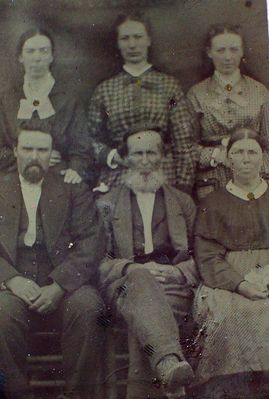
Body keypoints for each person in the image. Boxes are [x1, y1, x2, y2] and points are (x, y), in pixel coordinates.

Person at [0, 121, 105, 399]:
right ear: (15, 150)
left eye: (42, 150)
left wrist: (59, 286)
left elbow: (91, 242)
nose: (35, 156)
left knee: (88, 307)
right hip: (12, 286)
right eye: (28, 149)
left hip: (63, 286)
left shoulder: (72, 189)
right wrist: (11, 279)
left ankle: (75, 396)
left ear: (52, 153)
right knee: (0, 312)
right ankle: (17, 394)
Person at [98, 125, 198, 399]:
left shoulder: (183, 202)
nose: (144, 161)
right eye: (137, 154)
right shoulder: (106, 204)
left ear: (162, 157)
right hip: (124, 287)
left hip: (172, 287)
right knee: (143, 295)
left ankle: (162, 375)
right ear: (126, 158)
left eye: (151, 153)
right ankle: (168, 365)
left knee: (145, 318)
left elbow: (200, 255)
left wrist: (177, 271)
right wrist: (133, 269)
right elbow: (99, 262)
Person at [193, 127, 269, 397]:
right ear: (228, 158)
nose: (246, 158)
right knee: (233, 313)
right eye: (238, 152)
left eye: (252, 152)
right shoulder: (212, 202)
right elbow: (207, 255)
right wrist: (240, 284)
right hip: (227, 283)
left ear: (263, 158)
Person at [88, 11, 197, 194]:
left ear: (148, 40)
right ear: (118, 43)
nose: (132, 45)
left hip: (164, 175)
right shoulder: (105, 90)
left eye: (138, 37)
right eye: (125, 38)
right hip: (121, 174)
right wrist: (111, 155)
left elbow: (184, 141)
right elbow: (91, 138)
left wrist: (182, 189)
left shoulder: (168, 85)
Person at [187, 24, 269, 199]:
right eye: (220, 50)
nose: (227, 57)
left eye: (233, 49)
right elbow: (186, 147)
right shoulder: (196, 94)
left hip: (255, 179)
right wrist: (215, 155)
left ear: (242, 51)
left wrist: (254, 164)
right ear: (209, 52)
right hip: (212, 181)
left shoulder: (259, 92)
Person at [0, 28, 92, 183]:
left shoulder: (69, 99)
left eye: (43, 51)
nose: (37, 58)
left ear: (51, 56)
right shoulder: (5, 99)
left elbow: (81, 150)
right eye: (30, 51)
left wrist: (75, 169)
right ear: (20, 57)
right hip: (13, 176)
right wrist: (33, 160)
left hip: (57, 178)